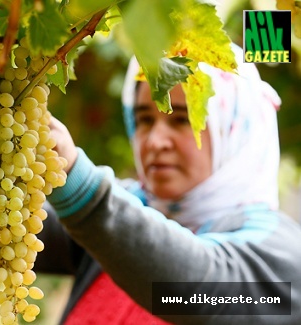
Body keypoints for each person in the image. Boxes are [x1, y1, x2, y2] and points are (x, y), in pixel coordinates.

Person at [35, 43, 301, 325]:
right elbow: (13, 223)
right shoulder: (123, 213)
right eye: (144, 119)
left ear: (234, 129)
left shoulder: (281, 259)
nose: (154, 141)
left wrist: (81, 187)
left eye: (182, 119)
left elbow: (192, 288)